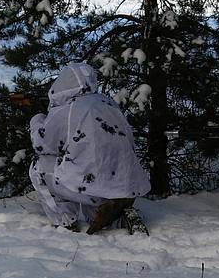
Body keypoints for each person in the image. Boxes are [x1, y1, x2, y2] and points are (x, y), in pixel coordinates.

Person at [29, 62, 150, 231]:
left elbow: (42, 145)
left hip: (94, 185)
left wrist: (37, 120)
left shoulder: (69, 108)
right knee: (84, 173)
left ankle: (65, 222)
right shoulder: (108, 103)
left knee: (39, 167)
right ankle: (118, 216)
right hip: (125, 183)